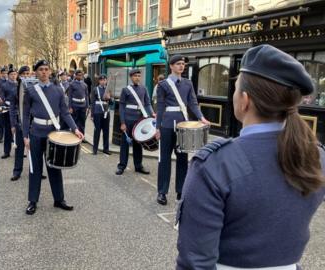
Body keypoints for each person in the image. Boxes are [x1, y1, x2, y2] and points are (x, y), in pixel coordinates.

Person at [176, 44, 325, 269]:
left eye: (235, 88)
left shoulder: (215, 165)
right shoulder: (317, 156)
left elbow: (195, 262)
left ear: (245, 100)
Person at [22, 60, 84, 215]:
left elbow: (64, 113)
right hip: (36, 133)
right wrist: (25, 136)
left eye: (46, 69)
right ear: (36, 72)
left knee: (55, 168)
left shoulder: (58, 90)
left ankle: (59, 199)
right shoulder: (30, 91)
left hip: (53, 134)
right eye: (41, 69)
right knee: (35, 169)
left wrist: (75, 129)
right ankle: (32, 201)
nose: (44, 72)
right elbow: (25, 115)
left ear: (50, 72)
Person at [155, 55, 210, 205]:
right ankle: (162, 192)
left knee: (182, 160)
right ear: (171, 66)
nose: (181, 66)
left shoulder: (188, 83)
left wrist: (201, 118)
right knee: (164, 159)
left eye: (183, 64)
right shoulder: (163, 85)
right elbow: (160, 107)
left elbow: (193, 103)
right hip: (166, 125)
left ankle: (181, 190)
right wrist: (157, 127)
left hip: (183, 125)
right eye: (178, 64)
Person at [116, 69, 154, 176]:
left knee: (138, 144)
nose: (137, 77)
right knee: (125, 145)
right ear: (131, 77)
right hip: (128, 119)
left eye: (139, 75)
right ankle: (122, 166)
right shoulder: (125, 90)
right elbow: (122, 107)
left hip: (139, 120)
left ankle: (138, 166)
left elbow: (147, 103)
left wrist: (152, 113)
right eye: (135, 76)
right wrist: (122, 122)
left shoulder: (144, 89)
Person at [0, 68, 16, 159]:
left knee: (19, 132)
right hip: (7, 110)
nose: (14, 76)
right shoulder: (4, 85)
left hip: (17, 111)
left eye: (15, 74)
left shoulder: (19, 84)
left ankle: (19, 151)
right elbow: (1, 96)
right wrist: (0, 101)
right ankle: (6, 152)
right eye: (12, 74)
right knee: (8, 132)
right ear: (8, 75)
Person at [90, 74, 111, 155]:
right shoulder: (95, 89)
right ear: (99, 81)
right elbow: (92, 103)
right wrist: (92, 114)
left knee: (106, 131)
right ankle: (95, 149)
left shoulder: (108, 89)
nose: (103, 81)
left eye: (104, 80)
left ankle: (106, 149)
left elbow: (111, 103)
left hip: (106, 112)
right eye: (101, 80)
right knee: (97, 131)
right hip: (97, 112)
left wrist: (110, 98)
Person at [0, 68, 9, 143]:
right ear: (1, 74)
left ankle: (10, 137)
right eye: (3, 73)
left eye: (6, 73)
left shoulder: (11, 82)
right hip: (0, 104)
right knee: (0, 120)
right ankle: (0, 136)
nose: (5, 74)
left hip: (9, 104)